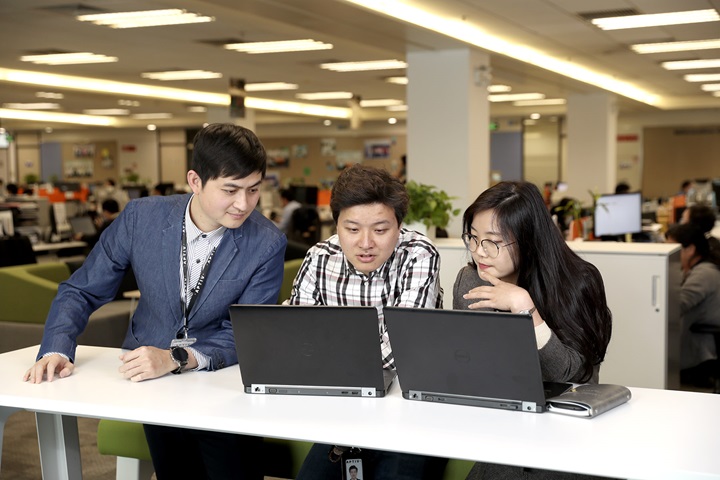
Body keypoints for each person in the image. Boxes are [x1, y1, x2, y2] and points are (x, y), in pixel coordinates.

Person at [24, 123, 287, 480]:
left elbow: (247, 330)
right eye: (231, 190)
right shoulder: (140, 218)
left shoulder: (267, 243)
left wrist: (177, 358)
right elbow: (81, 289)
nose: (244, 203)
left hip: (221, 384)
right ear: (195, 181)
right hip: (152, 382)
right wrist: (57, 347)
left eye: (254, 190)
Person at [286, 164, 447, 480]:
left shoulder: (419, 255)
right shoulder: (319, 257)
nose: (365, 242)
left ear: (399, 226)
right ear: (336, 224)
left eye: (381, 229)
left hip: (409, 413)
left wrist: (325, 359)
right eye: (352, 228)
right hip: (342, 413)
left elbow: (402, 345)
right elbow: (298, 335)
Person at [453, 181, 612, 480]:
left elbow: (569, 376)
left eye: (492, 241)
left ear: (528, 240)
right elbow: (468, 363)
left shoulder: (578, 282)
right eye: (472, 238)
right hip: (503, 427)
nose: (479, 252)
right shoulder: (471, 281)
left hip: (567, 431)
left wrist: (525, 308)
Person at [665, 223, 720, 388]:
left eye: (673, 250)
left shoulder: (704, 273)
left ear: (690, 249)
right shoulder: (698, 268)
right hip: (699, 339)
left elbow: (677, 306)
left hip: (704, 349)